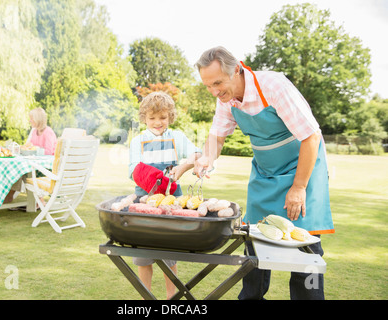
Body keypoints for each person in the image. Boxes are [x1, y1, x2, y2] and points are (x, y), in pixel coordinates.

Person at [193, 47, 334, 300]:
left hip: (302, 169)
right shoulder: (226, 98)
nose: (214, 91)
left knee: (304, 246)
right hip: (266, 172)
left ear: (236, 69)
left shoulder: (274, 86)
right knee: (254, 243)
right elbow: (217, 135)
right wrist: (207, 157)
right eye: (208, 86)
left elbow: (311, 136)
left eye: (218, 83)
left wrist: (299, 187)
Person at [129, 91, 202, 299]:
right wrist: (156, 179)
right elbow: (133, 168)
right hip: (145, 201)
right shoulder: (138, 141)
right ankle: (147, 298)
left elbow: (196, 153)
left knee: (169, 256)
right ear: (144, 118)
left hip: (173, 204)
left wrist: (186, 166)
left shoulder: (177, 137)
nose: (157, 122)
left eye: (162, 117)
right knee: (143, 256)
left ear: (170, 116)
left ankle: (172, 299)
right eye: (152, 118)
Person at [4, 107, 56, 204]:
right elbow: (29, 146)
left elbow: (49, 151)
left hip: (46, 166)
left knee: (22, 170)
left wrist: (33, 149)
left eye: (31, 118)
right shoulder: (34, 131)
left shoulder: (48, 132)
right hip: (34, 163)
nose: (30, 120)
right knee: (18, 167)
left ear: (38, 119)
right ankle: (10, 194)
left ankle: (38, 201)